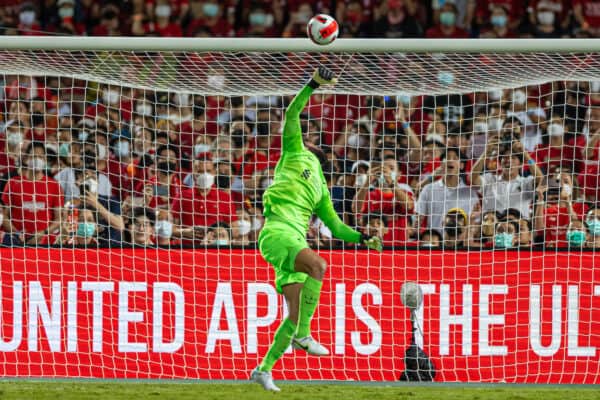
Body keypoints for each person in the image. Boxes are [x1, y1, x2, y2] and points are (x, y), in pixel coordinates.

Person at [250, 67, 382, 392]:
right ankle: (304, 336)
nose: (307, 138)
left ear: (318, 158)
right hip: (277, 233)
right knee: (319, 265)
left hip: (291, 241)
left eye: (312, 142)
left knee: (293, 314)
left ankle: (264, 369)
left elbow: (336, 227)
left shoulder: (320, 186)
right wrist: (313, 84)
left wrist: (363, 237)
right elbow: (293, 111)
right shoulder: (293, 151)